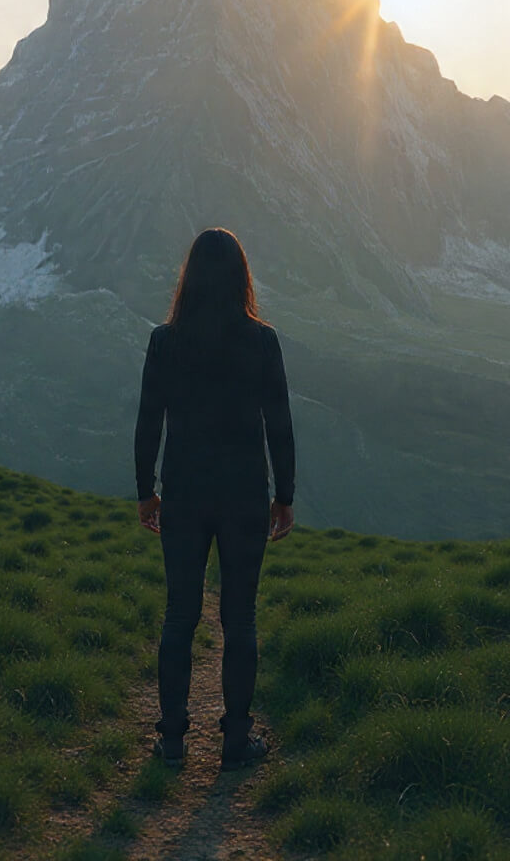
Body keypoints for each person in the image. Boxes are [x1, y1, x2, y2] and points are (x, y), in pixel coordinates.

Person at [134, 227, 296, 771]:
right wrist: (285, 497)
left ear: (189, 278)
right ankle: (235, 741)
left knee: (180, 614)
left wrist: (145, 492)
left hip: (183, 491)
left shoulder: (165, 340)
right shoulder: (262, 340)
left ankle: (173, 740)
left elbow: (148, 423)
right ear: (241, 278)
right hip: (245, 492)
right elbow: (279, 425)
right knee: (240, 618)